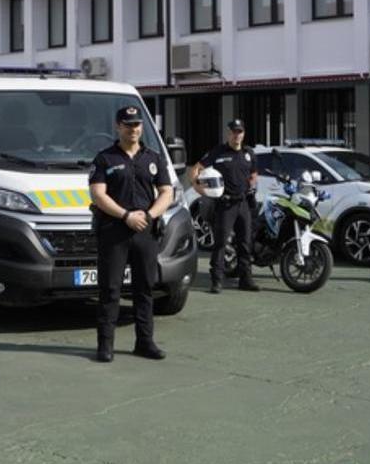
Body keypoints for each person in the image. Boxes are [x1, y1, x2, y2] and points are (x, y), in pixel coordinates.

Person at [88, 105, 173, 363]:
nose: (133, 129)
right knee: (110, 289)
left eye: (136, 124)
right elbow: (98, 194)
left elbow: (167, 192)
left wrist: (148, 216)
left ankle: (144, 342)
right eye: (128, 125)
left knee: (144, 288)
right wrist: (126, 215)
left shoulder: (154, 158)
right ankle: (105, 346)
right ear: (118, 127)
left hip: (144, 231)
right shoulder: (105, 159)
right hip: (114, 230)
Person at [189, 119, 260, 293]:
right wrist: (199, 188)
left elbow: (254, 173)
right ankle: (217, 281)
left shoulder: (248, 153)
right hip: (225, 204)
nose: (237, 135)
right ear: (229, 133)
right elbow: (196, 169)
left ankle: (245, 280)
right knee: (220, 243)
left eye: (240, 132)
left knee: (245, 243)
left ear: (243, 134)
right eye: (234, 132)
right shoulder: (218, 152)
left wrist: (251, 184)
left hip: (243, 203)